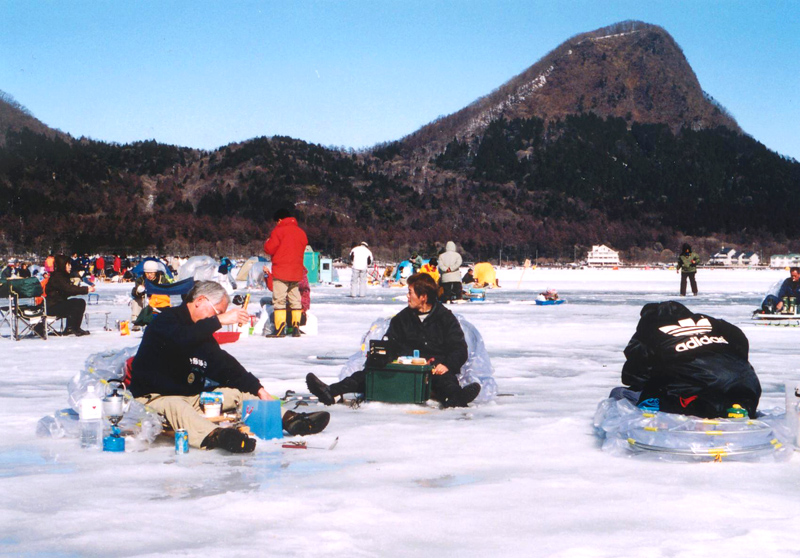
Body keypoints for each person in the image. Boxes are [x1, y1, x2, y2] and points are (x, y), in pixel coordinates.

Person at [129, 281, 330, 453]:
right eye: (217, 312)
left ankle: (290, 419)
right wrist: (218, 321)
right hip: (155, 398)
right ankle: (218, 437)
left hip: (191, 396)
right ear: (199, 301)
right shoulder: (166, 321)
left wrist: (258, 388)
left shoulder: (201, 334)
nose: (219, 320)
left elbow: (224, 365)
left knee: (237, 392)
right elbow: (180, 340)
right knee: (177, 407)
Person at [306, 273, 481, 408]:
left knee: (446, 382)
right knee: (367, 376)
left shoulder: (445, 318)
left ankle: (457, 398)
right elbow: (390, 343)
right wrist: (382, 356)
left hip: (433, 371)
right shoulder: (402, 318)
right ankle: (330, 391)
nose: (407, 296)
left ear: (423, 297)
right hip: (405, 371)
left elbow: (459, 349)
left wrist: (447, 364)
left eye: (410, 292)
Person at [615, 301, 761, 419]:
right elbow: (740, 339)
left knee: (621, 394)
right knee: (729, 392)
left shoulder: (650, 329)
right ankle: (736, 406)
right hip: (746, 382)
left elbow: (634, 373)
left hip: (696, 387)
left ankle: (704, 408)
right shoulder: (710, 321)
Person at [263, 208, 308, 337]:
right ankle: (295, 328)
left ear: (280, 219)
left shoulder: (278, 231)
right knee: (295, 299)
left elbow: (269, 248)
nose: (276, 223)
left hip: (281, 271)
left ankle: (280, 329)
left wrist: (267, 242)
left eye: (277, 221)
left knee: (279, 300)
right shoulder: (301, 232)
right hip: (296, 272)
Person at [45, 254, 94, 336]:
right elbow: (68, 289)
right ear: (62, 265)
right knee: (77, 303)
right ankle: (71, 328)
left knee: (79, 302)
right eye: (68, 264)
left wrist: (79, 289)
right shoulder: (57, 277)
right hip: (51, 306)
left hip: (57, 304)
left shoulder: (62, 276)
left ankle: (73, 327)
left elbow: (68, 290)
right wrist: (86, 289)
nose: (70, 267)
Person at [130, 259, 171, 330]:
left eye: (151, 273)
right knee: (135, 301)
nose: (149, 275)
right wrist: (138, 291)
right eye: (147, 273)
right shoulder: (141, 279)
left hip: (157, 301)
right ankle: (136, 321)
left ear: (155, 272)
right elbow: (134, 292)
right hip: (145, 300)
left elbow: (168, 290)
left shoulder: (162, 279)